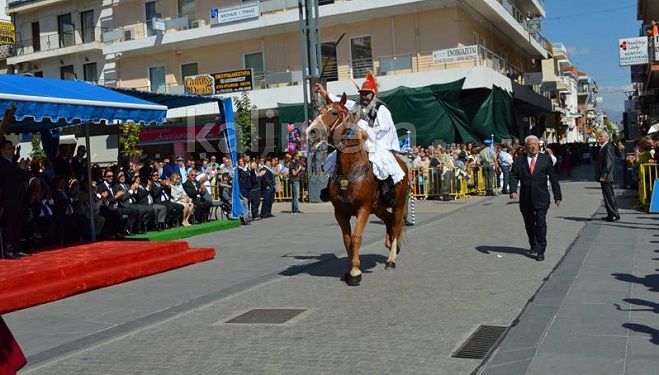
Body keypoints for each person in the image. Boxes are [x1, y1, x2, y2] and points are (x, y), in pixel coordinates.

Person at [314, 73, 405, 206]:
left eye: (367, 93)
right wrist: (324, 92)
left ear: (373, 94)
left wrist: (368, 133)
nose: (364, 96)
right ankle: (330, 188)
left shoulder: (381, 109)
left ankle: (387, 191)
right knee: (335, 156)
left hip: (377, 142)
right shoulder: (356, 106)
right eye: (362, 93)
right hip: (358, 140)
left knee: (382, 159)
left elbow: (384, 129)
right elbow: (339, 102)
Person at [509, 135, 562, 262]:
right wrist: (513, 190)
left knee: (540, 223)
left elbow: (553, 178)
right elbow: (513, 176)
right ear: (526, 147)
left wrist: (557, 195)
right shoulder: (519, 160)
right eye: (530, 145)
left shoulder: (545, 159)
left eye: (535, 144)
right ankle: (533, 244)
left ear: (539, 146)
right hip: (526, 198)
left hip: (542, 198)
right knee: (529, 223)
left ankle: (541, 249)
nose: (533, 147)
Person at [0, 140, 29, 259]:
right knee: (9, 224)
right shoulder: (2, 163)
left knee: (17, 223)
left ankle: (16, 248)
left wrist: (24, 169)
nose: (12, 150)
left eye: (12, 148)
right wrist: (21, 169)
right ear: (2, 150)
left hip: (17, 197)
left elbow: (20, 179)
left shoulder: (12, 162)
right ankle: (8, 249)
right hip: (7, 198)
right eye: (9, 148)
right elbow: (10, 181)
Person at [596, 132, 620, 222]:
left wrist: (604, 175)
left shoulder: (608, 146)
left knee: (609, 196)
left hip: (607, 176)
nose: (599, 138)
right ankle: (610, 214)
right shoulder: (604, 146)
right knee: (607, 196)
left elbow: (608, 162)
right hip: (605, 176)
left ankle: (614, 214)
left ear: (607, 138)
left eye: (601, 136)